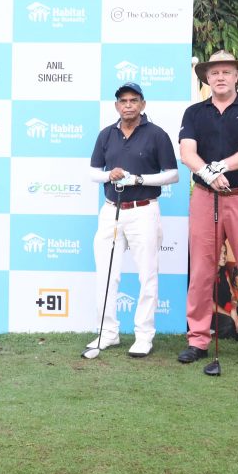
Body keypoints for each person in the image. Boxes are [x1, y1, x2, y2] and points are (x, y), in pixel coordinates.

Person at [178, 50, 238, 369]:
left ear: (237, 76)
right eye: (214, 72)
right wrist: (207, 172)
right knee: (201, 272)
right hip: (206, 197)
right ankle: (197, 339)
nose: (220, 77)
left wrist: (222, 166)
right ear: (207, 78)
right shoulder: (194, 112)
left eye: (226, 72)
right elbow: (187, 152)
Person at [87, 82, 179, 357]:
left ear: (142, 104)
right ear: (117, 106)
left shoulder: (157, 135)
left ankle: (143, 336)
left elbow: (172, 174)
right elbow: (93, 172)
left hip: (143, 210)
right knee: (106, 273)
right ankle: (108, 333)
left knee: (146, 275)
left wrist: (140, 179)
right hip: (111, 210)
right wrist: (108, 175)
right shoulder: (106, 135)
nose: (128, 105)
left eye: (133, 100)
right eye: (123, 101)